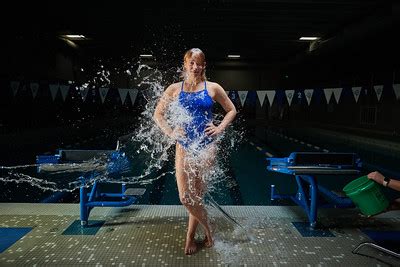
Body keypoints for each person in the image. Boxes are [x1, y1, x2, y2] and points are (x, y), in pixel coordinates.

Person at [153, 48, 237, 255]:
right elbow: (158, 114)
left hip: (206, 145)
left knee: (196, 195)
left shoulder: (213, 87)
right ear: (185, 64)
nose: (195, 67)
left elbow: (232, 110)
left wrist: (219, 128)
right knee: (185, 197)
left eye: (199, 63)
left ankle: (190, 236)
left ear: (204, 65)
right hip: (183, 146)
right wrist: (171, 132)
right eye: (191, 63)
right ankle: (209, 229)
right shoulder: (174, 89)